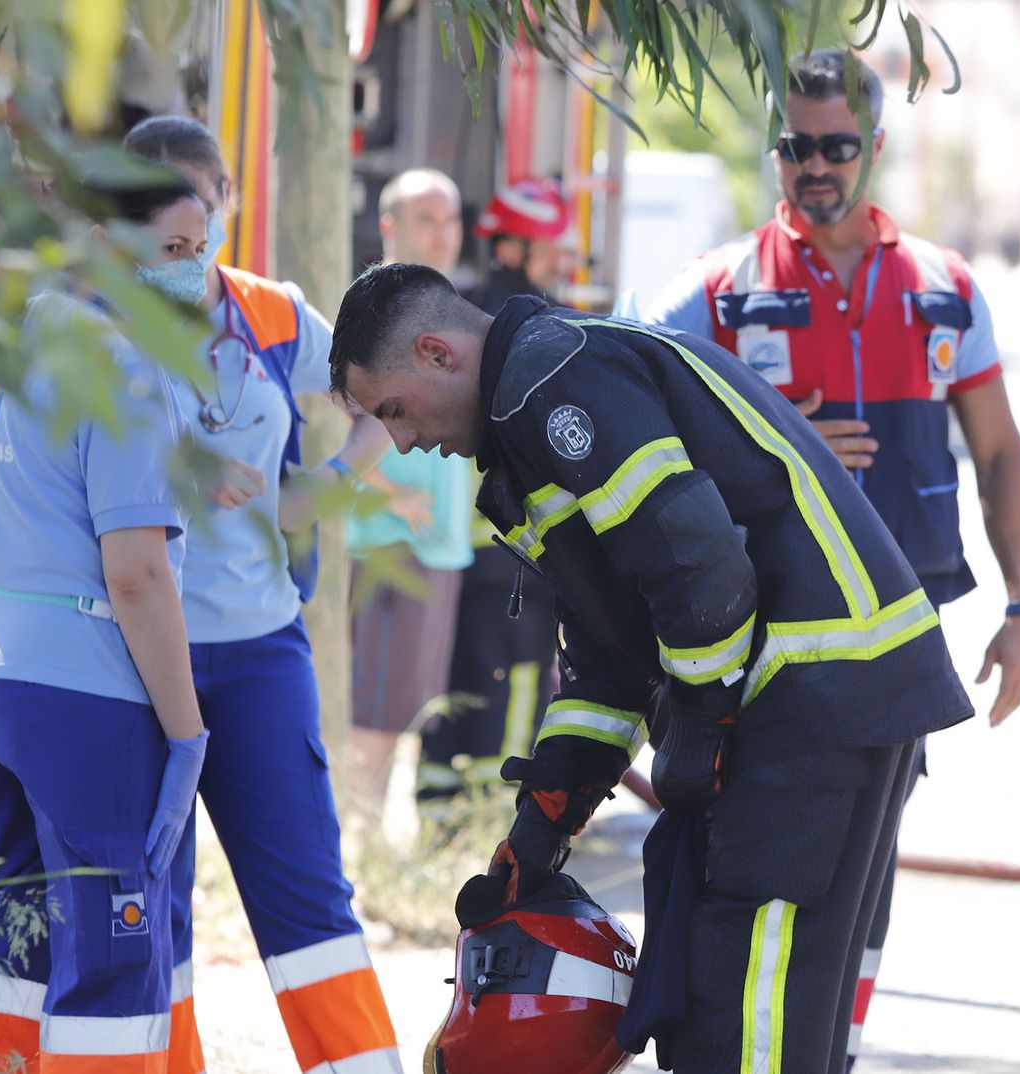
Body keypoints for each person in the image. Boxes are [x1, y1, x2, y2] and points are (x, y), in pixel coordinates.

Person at [327, 263, 975, 1073]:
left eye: (391, 410)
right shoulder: (534, 408)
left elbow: (698, 567)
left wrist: (701, 719)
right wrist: (543, 821)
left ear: (437, 353)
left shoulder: (550, 381)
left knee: (753, 1010)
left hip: (812, 695)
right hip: (810, 694)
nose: (403, 441)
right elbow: (609, 658)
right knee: (723, 995)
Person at [643, 50, 1020, 1064]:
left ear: (869, 148)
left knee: (865, 874)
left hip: (903, 649)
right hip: (771, 648)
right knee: (769, 866)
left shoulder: (945, 289)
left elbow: (998, 456)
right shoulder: (719, 291)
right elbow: (637, 424)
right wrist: (768, 427)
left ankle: (834, 1049)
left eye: (834, 146)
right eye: (794, 146)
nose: (812, 166)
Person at [0, 174, 207, 1072]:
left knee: (0, 943)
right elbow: (136, 576)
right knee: (112, 960)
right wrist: (188, 733)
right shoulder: (113, 362)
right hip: (84, 687)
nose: (185, 267)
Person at [124, 115, 404, 1074]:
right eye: (159, 200)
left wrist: (327, 485)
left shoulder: (277, 315)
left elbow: (380, 398)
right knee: (147, 903)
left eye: (202, 198)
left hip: (258, 650)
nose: (185, 219)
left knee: (306, 894)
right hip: (124, 653)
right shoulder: (96, 324)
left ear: (229, 202)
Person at [415, 178, 569, 816]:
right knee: (521, 678)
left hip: (463, 544)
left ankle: (436, 803)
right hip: (524, 547)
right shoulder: (543, 322)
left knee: (460, 672)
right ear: (512, 246)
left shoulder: (459, 313)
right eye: (547, 247)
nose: (557, 260)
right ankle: (496, 814)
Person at [345, 168, 476, 812]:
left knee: (407, 717)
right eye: (428, 218)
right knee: (370, 718)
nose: (445, 233)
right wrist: (386, 501)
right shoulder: (372, 311)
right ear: (389, 225)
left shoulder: (447, 307)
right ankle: (355, 861)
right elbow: (331, 425)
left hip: (440, 544)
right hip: (385, 544)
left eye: (451, 218)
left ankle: (373, 854)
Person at [461, 178, 573, 314]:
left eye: (561, 253)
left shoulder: (465, 307)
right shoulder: (549, 318)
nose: (558, 265)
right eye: (545, 251)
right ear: (506, 251)